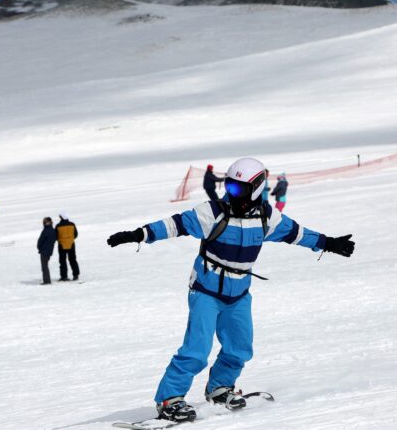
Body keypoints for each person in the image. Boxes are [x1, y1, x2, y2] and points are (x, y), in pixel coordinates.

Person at [107, 157, 355, 423]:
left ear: (256, 188)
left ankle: (219, 388)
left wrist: (327, 243)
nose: (231, 193)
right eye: (229, 186)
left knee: (240, 347)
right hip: (205, 290)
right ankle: (170, 399)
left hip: (238, 295)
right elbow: (174, 224)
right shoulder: (213, 212)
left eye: (238, 189)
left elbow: (296, 233)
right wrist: (138, 234)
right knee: (196, 350)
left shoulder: (266, 217)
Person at [55, 213, 80, 281]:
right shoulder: (72, 224)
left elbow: (56, 236)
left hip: (61, 245)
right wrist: (70, 239)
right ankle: (76, 275)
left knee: (62, 261)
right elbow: (76, 234)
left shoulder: (58, 226)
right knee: (73, 260)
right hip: (71, 244)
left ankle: (64, 276)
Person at [37, 217, 56, 285]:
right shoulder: (53, 230)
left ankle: (47, 281)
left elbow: (40, 241)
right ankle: (47, 280)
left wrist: (39, 247)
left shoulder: (46, 230)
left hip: (44, 251)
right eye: (44, 222)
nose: (45, 223)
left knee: (44, 266)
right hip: (49, 251)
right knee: (45, 266)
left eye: (46, 222)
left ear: (50, 222)